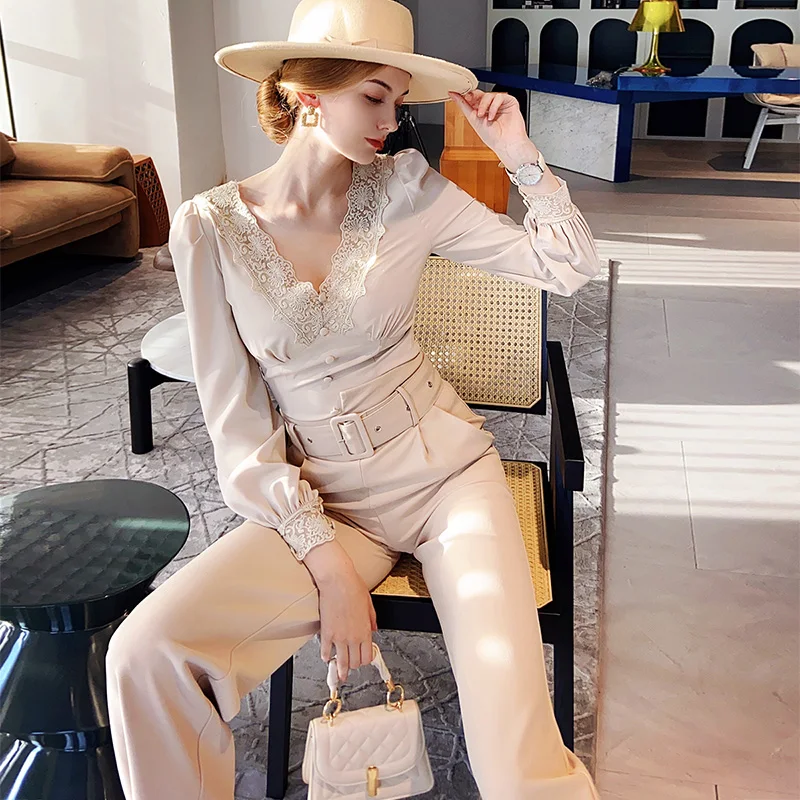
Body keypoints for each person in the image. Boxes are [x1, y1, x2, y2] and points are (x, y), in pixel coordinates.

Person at [106, 0, 603, 798]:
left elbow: (566, 267)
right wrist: (327, 565)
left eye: (398, 100)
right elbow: (235, 418)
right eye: (374, 96)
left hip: (447, 479)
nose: (391, 121)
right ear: (306, 93)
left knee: (515, 752)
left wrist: (521, 155)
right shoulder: (207, 228)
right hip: (326, 500)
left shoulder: (408, 188)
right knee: (147, 653)